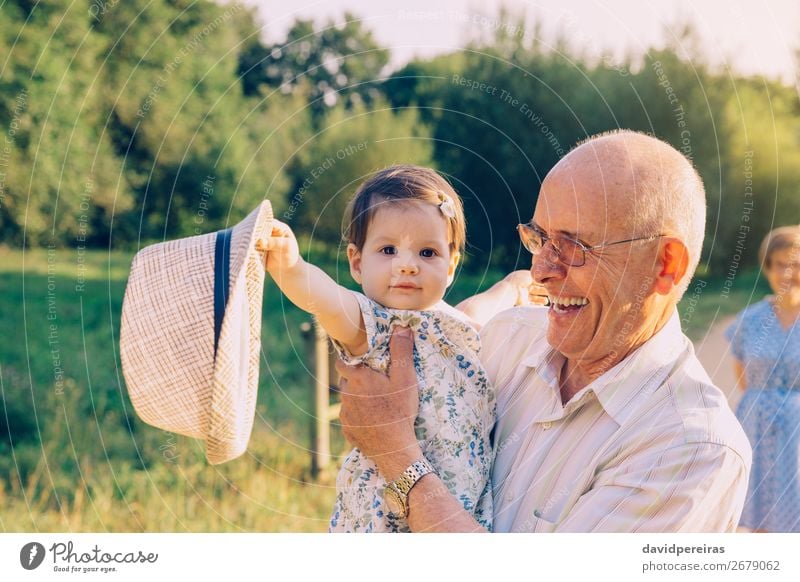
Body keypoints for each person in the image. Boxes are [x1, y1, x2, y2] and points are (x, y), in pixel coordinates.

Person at [335, 130, 753, 532]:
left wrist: (398, 457)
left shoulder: (691, 450)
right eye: (539, 238)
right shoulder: (506, 338)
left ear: (665, 265)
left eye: (574, 247)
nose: (540, 270)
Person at [260, 165, 536, 532]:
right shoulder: (371, 325)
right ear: (357, 262)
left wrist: (514, 286)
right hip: (387, 516)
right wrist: (291, 266)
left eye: (427, 253)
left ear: (451, 265)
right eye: (388, 250)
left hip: (455, 511)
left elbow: (481, 307)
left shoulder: (457, 325)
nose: (407, 266)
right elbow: (325, 299)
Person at [726, 226, 800, 532]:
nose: (788, 273)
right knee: (758, 516)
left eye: (796, 264)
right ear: (767, 268)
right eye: (780, 264)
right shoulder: (748, 320)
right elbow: (743, 380)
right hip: (755, 426)